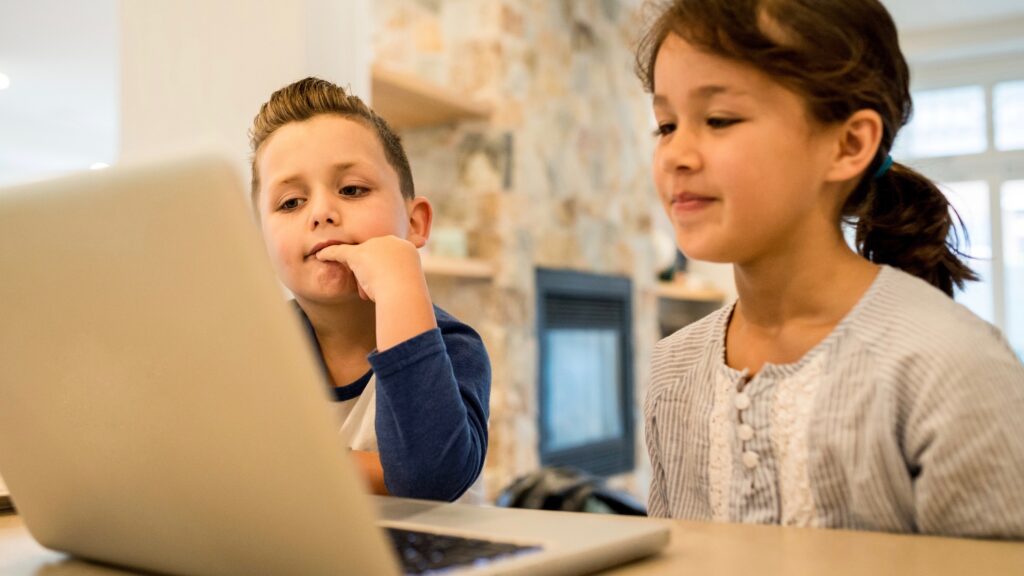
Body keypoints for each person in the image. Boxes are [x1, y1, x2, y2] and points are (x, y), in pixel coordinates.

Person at [637, 0, 1024, 537]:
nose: (676, 155)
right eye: (666, 125)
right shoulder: (672, 367)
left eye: (719, 119)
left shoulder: (949, 363)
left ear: (848, 144)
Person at [248, 77, 490, 502]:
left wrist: (400, 284)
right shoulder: (261, 349)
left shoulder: (456, 347)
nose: (322, 212)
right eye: (291, 202)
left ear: (414, 223)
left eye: (352, 190)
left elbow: (427, 479)